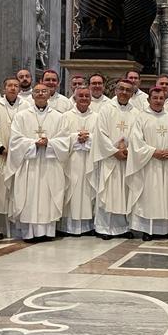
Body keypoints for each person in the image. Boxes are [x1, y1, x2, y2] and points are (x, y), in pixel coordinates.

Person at [4, 83, 71, 241]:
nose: (41, 94)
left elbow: (65, 140)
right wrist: (33, 143)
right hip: (29, 164)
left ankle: (47, 232)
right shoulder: (21, 116)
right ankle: (29, 233)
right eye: (37, 92)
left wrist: (50, 143)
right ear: (32, 95)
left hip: (50, 164)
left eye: (44, 91)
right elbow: (15, 141)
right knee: (29, 197)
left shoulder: (59, 117)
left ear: (49, 95)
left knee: (48, 196)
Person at [126, 87, 168, 241]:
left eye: (161, 98)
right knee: (149, 197)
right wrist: (153, 152)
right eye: (155, 98)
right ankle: (147, 230)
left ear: (165, 99)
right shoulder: (141, 118)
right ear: (148, 99)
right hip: (149, 164)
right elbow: (136, 141)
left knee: (167, 196)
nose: (158, 101)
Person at [91, 79, 139, 239]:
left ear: (132, 93)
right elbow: (100, 134)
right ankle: (105, 228)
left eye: (128, 90)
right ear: (116, 90)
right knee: (108, 192)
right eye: (122, 89)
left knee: (125, 192)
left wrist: (129, 149)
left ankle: (124, 227)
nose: (124, 92)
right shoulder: (106, 109)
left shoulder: (136, 112)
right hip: (110, 159)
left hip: (127, 159)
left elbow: (139, 135)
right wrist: (114, 150)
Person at [61, 86, 100, 236]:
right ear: (75, 97)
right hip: (72, 159)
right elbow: (61, 137)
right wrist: (76, 137)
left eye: (87, 96)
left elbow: (101, 138)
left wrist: (89, 138)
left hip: (90, 160)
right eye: (81, 96)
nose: (84, 98)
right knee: (72, 189)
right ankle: (68, 227)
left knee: (88, 191)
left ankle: (87, 226)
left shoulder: (97, 117)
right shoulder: (66, 116)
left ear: (91, 99)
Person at [0, 76, 24, 239]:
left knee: (17, 192)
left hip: (20, 158)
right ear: (4, 89)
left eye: (16, 86)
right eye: (9, 85)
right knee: (0, 193)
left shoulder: (26, 107)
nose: (12, 88)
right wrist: (1, 148)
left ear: (19, 89)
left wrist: (20, 149)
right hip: (2, 156)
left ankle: (16, 225)